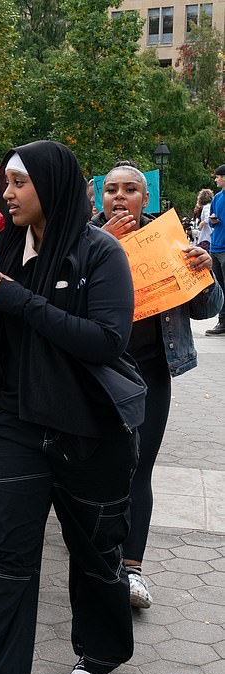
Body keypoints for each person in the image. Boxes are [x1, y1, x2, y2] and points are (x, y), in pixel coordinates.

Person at [0, 141, 146, 674]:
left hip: (85, 428)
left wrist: (19, 299)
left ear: (51, 186)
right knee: (5, 550)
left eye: (20, 183)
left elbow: (107, 340)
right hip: (11, 420)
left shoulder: (100, 253)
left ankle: (100, 649)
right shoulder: (3, 247)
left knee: (95, 552)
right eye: (5, 182)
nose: (8, 193)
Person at [91, 164, 222, 609]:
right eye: (111, 190)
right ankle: (95, 558)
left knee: (138, 467)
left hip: (149, 372)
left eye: (130, 189)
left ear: (145, 199)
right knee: (91, 468)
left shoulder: (169, 242)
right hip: (90, 373)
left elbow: (207, 309)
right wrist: (101, 244)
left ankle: (132, 569)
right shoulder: (81, 240)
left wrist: (206, 271)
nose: (120, 197)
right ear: (99, 198)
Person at [206, 165, 225, 335]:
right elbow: (211, 219)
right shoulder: (216, 198)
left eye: (218, 177)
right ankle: (222, 322)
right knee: (219, 287)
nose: (216, 180)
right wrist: (213, 220)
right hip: (216, 246)